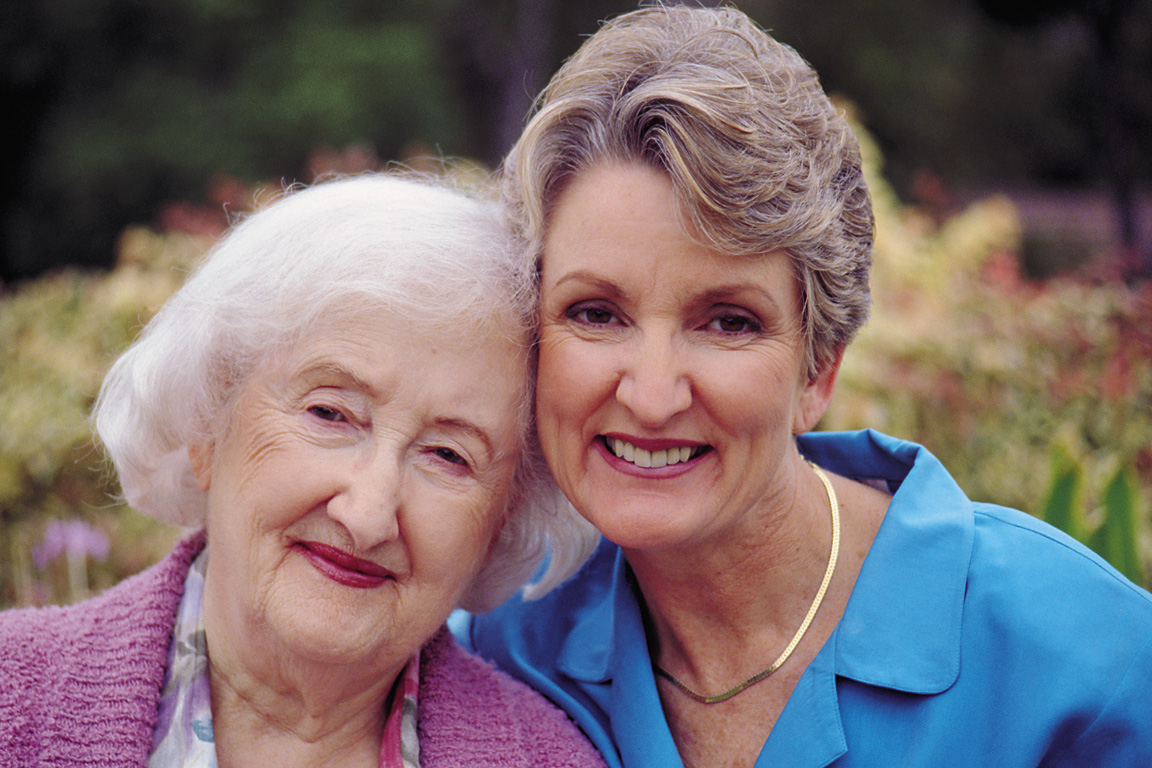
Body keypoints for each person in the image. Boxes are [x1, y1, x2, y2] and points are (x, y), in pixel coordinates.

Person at [454, 6, 1152, 767]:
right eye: (595, 313)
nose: (652, 397)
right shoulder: (500, 644)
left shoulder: (1086, 656)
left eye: (728, 322)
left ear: (820, 368)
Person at [0, 175, 606, 768]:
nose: (368, 515)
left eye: (449, 455)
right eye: (331, 413)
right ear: (208, 425)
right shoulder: (15, 704)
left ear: (502, 521)